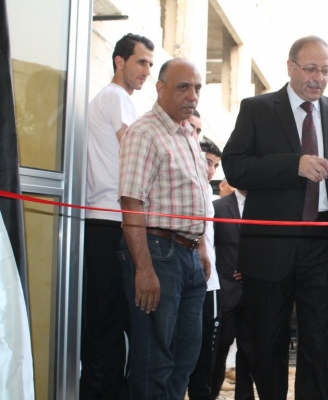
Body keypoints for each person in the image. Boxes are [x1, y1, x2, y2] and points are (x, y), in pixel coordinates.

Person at [221, 35, 328, 399]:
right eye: (311, 69)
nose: (318, 78)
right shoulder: (257, 109)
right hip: (271, 244)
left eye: (325, 70)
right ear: (290, 67)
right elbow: (235, 167)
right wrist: (294, 165)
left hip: (323, 243)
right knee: (266, 343)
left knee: (320, 347)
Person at [118, 58, 210, 399]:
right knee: (154, 361)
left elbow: (193, 197)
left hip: (189, 256)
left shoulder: (188, 133)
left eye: (197, 88)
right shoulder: (145, 132)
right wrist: (144, 269)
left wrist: (201, 247)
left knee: (185, 359)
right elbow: (131, 204)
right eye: (183, 87)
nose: (192, 96)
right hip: (157, 254)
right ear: (160, 88)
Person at [81, 33, 154, 399]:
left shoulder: (104, 98)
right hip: (113, 222)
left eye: (151, 64)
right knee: (120, 326)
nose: (147, 71)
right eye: (141, 62)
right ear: (119, 61)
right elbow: (135, 154)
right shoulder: (116, 97)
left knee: (103, 326)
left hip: (103, 221)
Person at [211, 188, 256, 400]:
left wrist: (252, 269)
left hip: (254, 293)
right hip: (224, 293)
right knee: (218, 349)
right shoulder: (218, 207)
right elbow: (209, 248)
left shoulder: (266, 207)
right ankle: (210, 393)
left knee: (249, 352)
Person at [188, 139, 223, 400]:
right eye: (207, 162)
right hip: (185, 278)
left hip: (210, 284)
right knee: (183, 353)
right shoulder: (184, 187)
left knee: (205, 358)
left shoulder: (210, 196)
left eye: (215, 165)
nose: (211, 170)